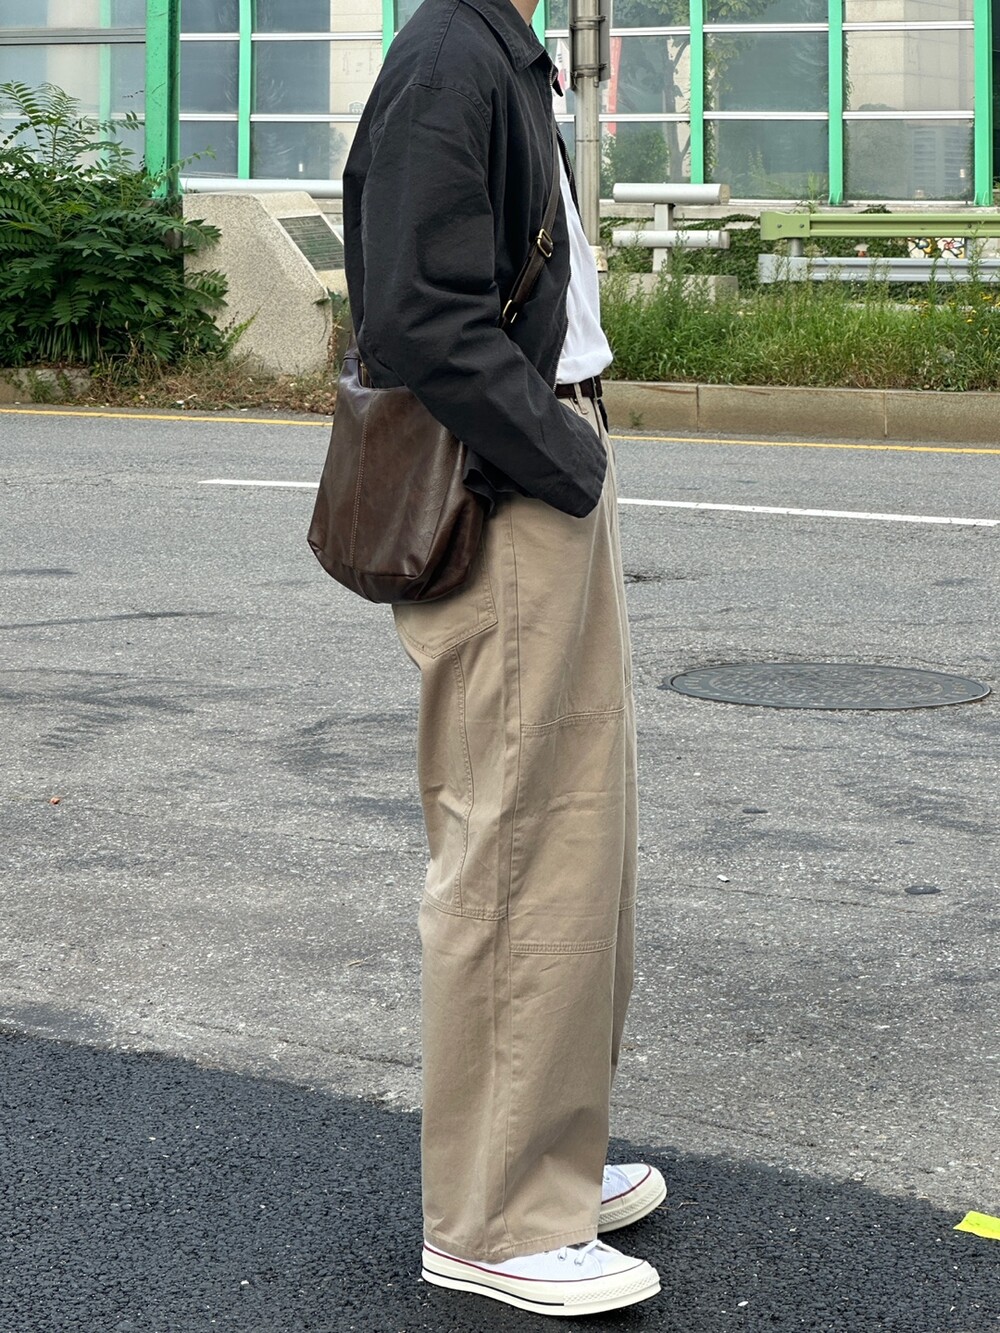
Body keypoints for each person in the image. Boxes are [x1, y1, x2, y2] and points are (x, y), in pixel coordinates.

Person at [342, 0, 664, 1316]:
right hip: (501, 492)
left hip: (536, 476)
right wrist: (562, 454)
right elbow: (418, 313)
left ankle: (549, 1164)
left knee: (576, 842)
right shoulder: (449, 56)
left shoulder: (499, 52)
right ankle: (496, 1218)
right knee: (514, 852)